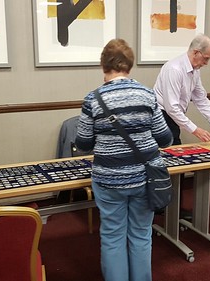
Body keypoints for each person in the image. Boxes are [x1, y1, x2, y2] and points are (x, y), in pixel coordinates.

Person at [75, 38, 173, 281]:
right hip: (144, 178)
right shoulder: (147, 94)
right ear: (129, 65)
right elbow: (165, 139)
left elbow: (83, 144)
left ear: (103, 66)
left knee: (112, 236)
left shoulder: (93, 99)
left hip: (108, 180)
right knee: (141, 235)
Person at [153, 34, 210, 219]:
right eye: (206, 58)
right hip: (160, 118)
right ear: (196, 52)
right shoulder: (174, 69)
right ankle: (163, 208)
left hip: (172, 118)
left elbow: (200, 98)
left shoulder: (194, 70)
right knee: (167, 163)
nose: (206, 63)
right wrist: (194, 129)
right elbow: (171, 107)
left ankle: (171, 209)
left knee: (175, 164)